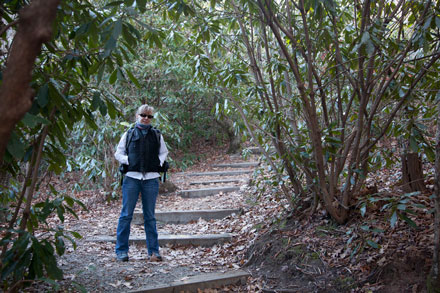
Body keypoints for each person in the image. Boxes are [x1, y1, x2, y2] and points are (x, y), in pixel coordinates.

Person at [114, 105, 169, 262]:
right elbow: (118, 152)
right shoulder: (129, 134)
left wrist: (157, 163)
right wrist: (128, 161)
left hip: (151, 179)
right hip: (132, 178)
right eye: (143, 115)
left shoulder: (157, 135)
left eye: (149, 116)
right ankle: (121, 251)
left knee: (150, 216)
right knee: (126, 215)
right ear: (137, 115)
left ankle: (154, 251)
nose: (146, 118)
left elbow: (163, 152)